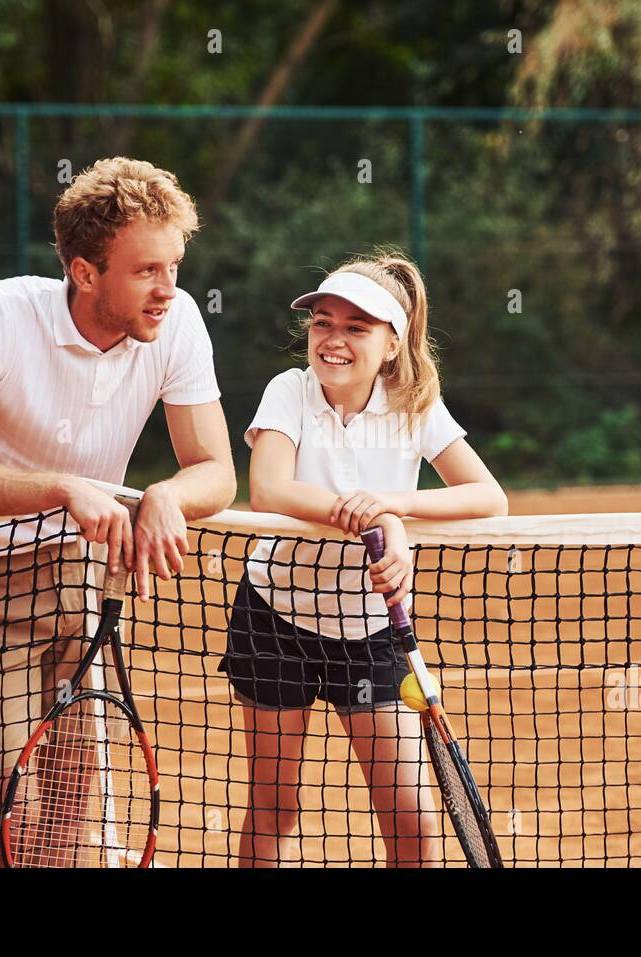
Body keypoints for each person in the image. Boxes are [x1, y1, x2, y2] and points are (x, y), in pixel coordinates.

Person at [0, 157, 235, 866]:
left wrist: (163, 495)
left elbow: (215, 470)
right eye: (147, 270)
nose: (168, 289)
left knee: (68, 802)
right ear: (86, 273)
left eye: (174, 265)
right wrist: (64, 486)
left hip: (87, 577)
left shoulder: (177, 323)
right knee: (8, 812)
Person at [226, 251, 508, 866]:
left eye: (357, 328)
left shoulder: (414, 405)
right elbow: (269, 490)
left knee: (411, 820)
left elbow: (489, 496)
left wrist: (393, 507)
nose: (334, 339)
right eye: (323, 322)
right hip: (275, 622)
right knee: (274, 808)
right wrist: (377, 521)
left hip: (373, 631)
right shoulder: (289, 392)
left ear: (391, 345)